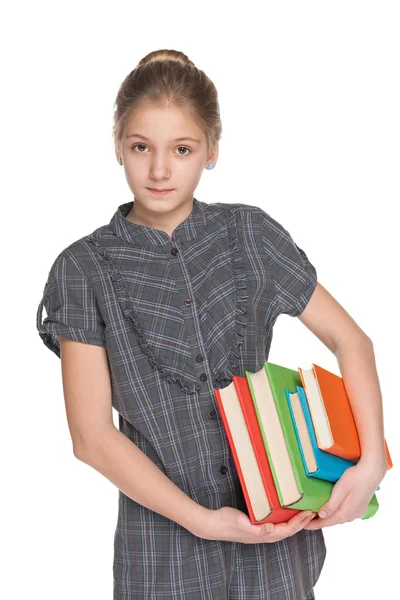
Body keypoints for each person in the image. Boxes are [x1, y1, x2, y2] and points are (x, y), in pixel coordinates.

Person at [36, 49, 388, 600]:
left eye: (182, 149)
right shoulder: (83, 268)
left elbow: (351, 339)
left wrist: (370, 462)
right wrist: (203, 520)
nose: (159, 169)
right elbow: (91, 435)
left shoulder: (248, 233)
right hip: (162, 553)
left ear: (212, 150)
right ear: (118, 148)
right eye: (140, 147)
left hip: (278, 535)